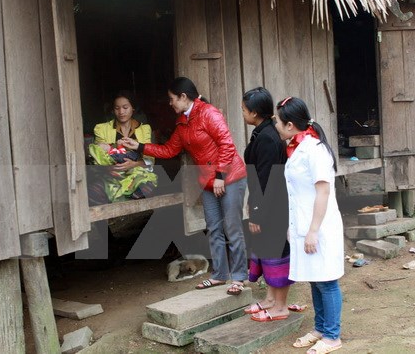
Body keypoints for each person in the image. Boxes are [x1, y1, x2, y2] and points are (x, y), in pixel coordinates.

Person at [120, 77, 248, 295]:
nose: (170, 103)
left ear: (183, 96)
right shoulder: (182, 123)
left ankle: (239, 277)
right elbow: (169, 150)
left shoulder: (209, 113)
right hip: (207, 181)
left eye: (172, 99)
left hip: (230, 177)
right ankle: (219, 275)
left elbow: (227, 144)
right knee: (213, 228)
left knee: (232, 228)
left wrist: (220, 175)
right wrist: (139, 146)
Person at [274, 96, 344, 354]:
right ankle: (320, 328)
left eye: (277, 121)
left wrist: (313, 230)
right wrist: (294, 226)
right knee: (315, 280)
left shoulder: (315, 150)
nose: (275, 126)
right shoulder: (297, 148)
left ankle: (333, 336)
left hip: (319, 227)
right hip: (304, 225)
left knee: (326, 281)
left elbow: (323, 192)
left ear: (290, 125)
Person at [241, 87, 294, 322]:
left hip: (273, 207)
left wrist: (256, 213)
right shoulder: (263, 132)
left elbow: (265, 180)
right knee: (266, 251)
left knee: (276, 253)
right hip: (268, 203)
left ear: (254, 112)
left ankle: (280, 306)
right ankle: (271, 299)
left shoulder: (267, 138)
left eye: (244, 109)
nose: (243, 113)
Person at [88, 91, 156, 204]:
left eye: (125, 107)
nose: (121, 112)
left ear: (133, 108)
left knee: (145, 190)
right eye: (117, 108)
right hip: (110, 176)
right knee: (93, 193)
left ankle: (133, 214)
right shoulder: (101, 129)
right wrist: (108, 167)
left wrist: (133, 164)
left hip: (136, 175)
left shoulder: (144, 129)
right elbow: (97, 157)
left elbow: (150, 161)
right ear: (113, 110)